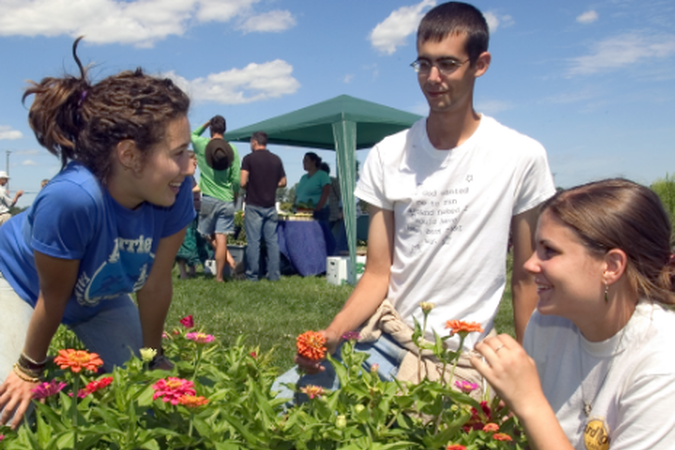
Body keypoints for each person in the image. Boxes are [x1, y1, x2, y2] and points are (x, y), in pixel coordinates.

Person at [274, 1, 555, 399]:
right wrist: (334, 332)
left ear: (481, 64)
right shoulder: (389, 154)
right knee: (281, 398)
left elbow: (527, 278)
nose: (433, 78)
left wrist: (531, 369)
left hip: (463, 358)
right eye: (423, 64)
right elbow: (376, 273)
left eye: (448, 64)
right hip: (387, 341)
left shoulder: (521, 155)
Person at [0, 38, 195, 428]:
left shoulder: (176, 193)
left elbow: (156, 284)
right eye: (178, 153)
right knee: (11, 411)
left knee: (149, 398)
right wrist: (28, 368)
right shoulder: (72, 198)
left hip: (98, 298)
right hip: (23, 283)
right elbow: (52, 297)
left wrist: (152, 357)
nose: (189, 167)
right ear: (129, 155)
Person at [472, 179, 675, 450]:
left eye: (550, 251)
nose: (530, 264)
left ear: (611, 266)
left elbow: (538, 415)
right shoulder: (547, 323)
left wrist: (530, 403)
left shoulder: (662, 366)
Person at [191, 115, 241, 283]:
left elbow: (192, 135)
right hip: (227, 199)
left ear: (211, 129)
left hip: (209, 199)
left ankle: (230, 264)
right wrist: (234, 196)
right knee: (222, 238)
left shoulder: (203, 145)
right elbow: (236, 180)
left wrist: (204, 124)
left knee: (206, 234)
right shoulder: (232, 150)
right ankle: (220, 277)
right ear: (225, 130)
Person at [240, 131, 287, 281]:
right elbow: (283, 182)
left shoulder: (248, 159)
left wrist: (252, 186)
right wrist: (271, 185)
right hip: (270, 205)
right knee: (272, 242)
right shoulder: (276, 159)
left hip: (253, 204)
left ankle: (252, 276)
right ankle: (274, 276)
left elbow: (242, 182)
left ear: (254, 142)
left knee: (253, 242)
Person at [176, 151, 211, 279]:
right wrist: (204, 185)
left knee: (194, 241)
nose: (196, 163)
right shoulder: (182, 175)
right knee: (185, 243)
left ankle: (192, 271)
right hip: (184, 214)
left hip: (194, 212)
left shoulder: (191, 176)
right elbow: (187, 190)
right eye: (193, 161)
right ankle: (184, 273)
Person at [295, 152, 330, 222]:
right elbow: (298, 194)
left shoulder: (322, 175)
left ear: (314, 161)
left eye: (306, 160)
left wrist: (317, 209)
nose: (304, 163)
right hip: (302, 212)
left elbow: (326, 192)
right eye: (303, 161)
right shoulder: (303, 177)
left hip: (318, 212)